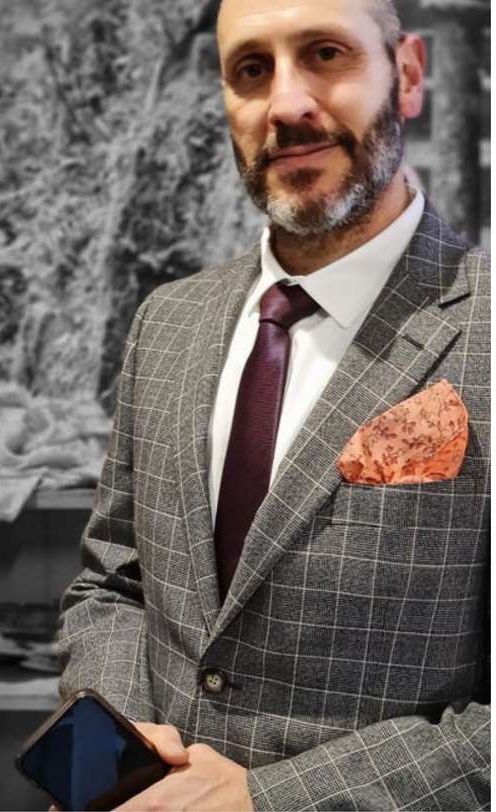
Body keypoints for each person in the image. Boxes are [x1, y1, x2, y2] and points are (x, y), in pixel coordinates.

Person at [56, 0, 490, 809]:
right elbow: (114, 585)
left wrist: (268, 799)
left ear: (404, 75)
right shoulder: (168, 320)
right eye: (250, 69)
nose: (286, 104)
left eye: (324, 53)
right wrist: (97, 765)